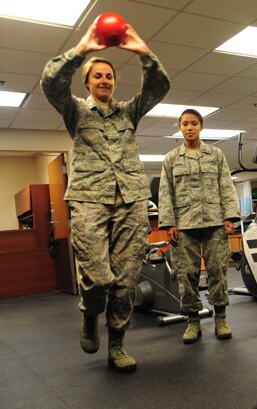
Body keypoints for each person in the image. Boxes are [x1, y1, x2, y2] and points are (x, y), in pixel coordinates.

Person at [40, 21, 170, 373]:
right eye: (97, 76)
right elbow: (51, 83)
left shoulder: (128, 113)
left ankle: (117, 345)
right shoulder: (76, 111)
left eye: (109, 76)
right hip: (89, 200)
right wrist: (82, 49)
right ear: (87, 82)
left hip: (130, 201)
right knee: (98, 278)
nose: (104, 80)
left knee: (126, 280)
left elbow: (160, 87)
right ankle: (89, 315)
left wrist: (143, 52)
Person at [158, 109, 240, 344]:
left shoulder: (215, 155)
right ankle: (192, 320)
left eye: (193, 123)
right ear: (180, 127)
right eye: (184, 124)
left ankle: (221, 318)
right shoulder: (171, 159)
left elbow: (226, 186)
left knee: (218, 271)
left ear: (201, 126)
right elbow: (166, 193)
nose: (189, 127)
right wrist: (169, 224)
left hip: (214, 221)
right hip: (184, 225)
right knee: (187, 274)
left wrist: (229, 217)